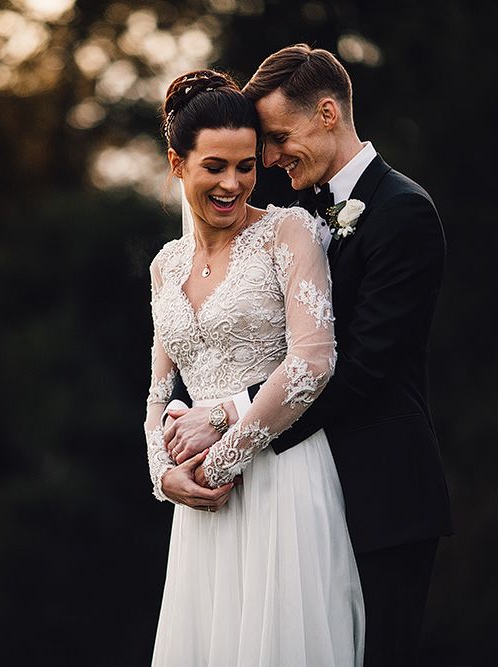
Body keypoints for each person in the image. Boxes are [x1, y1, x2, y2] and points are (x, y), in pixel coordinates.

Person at [163, 45, 453, 666]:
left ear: (327, 112)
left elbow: (360, 368)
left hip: (383, 491)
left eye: (276, 138)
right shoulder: (302, 215)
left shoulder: (404, 213)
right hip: (299, 486)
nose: (266, 159)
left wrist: (221, 416)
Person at [144, 69, 364, 666]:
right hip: (200, 506)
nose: (233, 183)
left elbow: (313, 362)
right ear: (177, 164)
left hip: (281, 480)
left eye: (246, 166)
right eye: (215, 166)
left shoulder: (287, 233)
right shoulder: (166, 265)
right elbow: (159, 391)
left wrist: (222, 457)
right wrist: (167, 477)